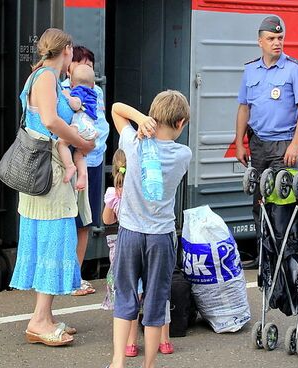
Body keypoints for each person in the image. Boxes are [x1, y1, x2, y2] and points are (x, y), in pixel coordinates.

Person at [7, 27, 95, 347]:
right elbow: (49, 121)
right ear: (67, 50)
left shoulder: (46, 78)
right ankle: (40, 320)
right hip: (49, 171)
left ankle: (46, 315)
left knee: (49, 238)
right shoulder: (45, 78)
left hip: (46, 169)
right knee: (56, 239)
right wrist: (81, 141)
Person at [107, 90, 191, 368]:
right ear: (180, 124)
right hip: (161, 237)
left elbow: (117, 108)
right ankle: (149, 365)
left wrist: (140, 119)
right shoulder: (183, 154)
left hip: (129, 233)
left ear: (152, 116)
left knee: (125, 296)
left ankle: (118, 361)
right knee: (156, 301)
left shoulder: (132, 143)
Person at [234, 14, 298, 266]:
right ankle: (263, 257)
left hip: (283, 146)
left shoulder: (295, 70)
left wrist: (296, 144)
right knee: (259, 201)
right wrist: (239, 143)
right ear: (260, 41)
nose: (277, 42)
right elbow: (244, 109)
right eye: (271, 38)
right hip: (257, 145)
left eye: (280, 38)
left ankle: (284, 256)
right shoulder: (250, 70)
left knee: (281, 203)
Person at [101, 149, 174, 358]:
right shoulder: (144, 188)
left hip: (122, 249)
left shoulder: (113, 193)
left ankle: (131, 344)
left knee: (129, 295)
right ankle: (164, 340)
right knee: (158, 294)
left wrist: (112, 202)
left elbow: (107, 221)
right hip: (154, 239)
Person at [62, 46, 110, 297]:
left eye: (90, 64)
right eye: (82, 64)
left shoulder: (96, 91)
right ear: (69, 69)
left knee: (84, 223)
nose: (87, 68)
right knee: (66, 221)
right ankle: (63, 276)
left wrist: (85, 146)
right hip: (65, 163)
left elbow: (101, 128)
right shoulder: (60, 91)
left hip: (91, 162)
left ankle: (75, 275)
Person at [57, 64, 98, 190]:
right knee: (79, 155)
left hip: (80, 123)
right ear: (93, 84)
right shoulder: (93, 93)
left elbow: (76, 104)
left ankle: (69, 166)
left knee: (61, 143)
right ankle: (83, 174)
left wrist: (68, 96)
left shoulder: (78, 91)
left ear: (72, 84)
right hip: (90, 126)